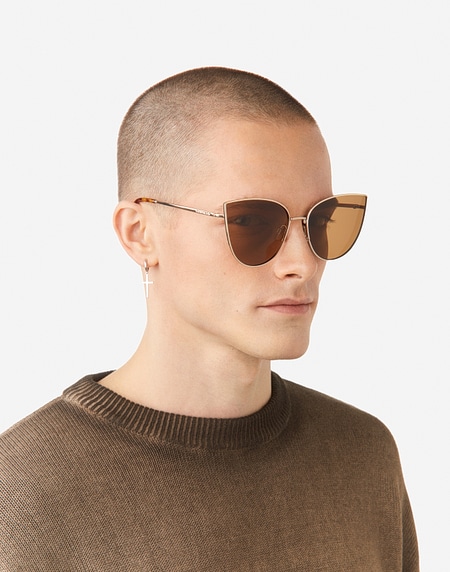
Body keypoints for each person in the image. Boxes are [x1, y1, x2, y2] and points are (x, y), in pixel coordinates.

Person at [0, 67, 419, 571]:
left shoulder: (362, 457)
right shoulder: (21, 494)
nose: (303, 264)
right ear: (139, 234)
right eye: (252, 222)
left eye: (323, 221)